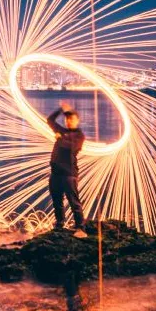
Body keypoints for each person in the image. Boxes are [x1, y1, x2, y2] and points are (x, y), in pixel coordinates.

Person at [47, 101, 87, 238]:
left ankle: (80, 227)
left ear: (77, 121)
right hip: (55, 173)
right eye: (67, 119)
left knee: (74, 202)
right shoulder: (62, 131)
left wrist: (60, 137)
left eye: (71, 119)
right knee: (57, 200)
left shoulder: (79, 136)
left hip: (69, 174)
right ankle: (59, 224)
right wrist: (61, 109)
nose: (68, 121)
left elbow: (69, 147)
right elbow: (50, 120)